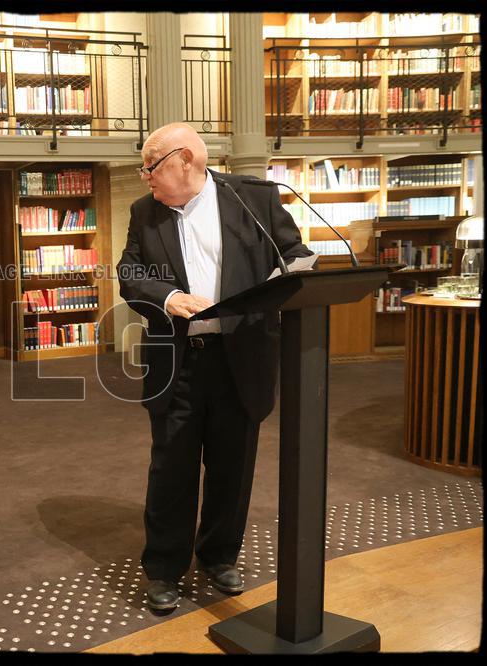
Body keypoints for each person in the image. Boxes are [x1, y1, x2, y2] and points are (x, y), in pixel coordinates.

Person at [116, 122, 312, 610]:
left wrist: (283, 279)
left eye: (150, 166)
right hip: (178, 362)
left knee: (233, 466)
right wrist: (169, 295)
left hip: (240, 358)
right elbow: (130, 274)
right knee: (171, 470)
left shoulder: (254, 199)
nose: (145, 177)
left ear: (184, 160)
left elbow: (295, 255)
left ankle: (220, 555)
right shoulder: (145, 213)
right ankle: (163, 568)